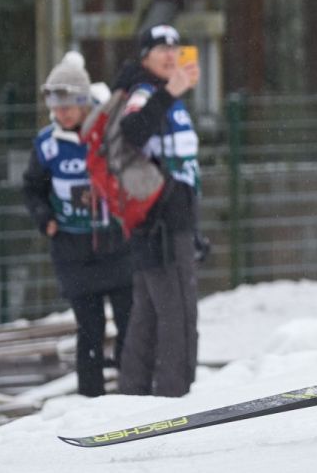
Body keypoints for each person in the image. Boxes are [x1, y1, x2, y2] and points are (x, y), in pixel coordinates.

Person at [22, 51, 133, 397]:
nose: (61, 114)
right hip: (72, 249)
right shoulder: (48, 144)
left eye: (68, 106)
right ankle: (91, 401)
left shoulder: (109, 132)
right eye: (55, 108)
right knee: (89, 330)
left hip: (116, 243)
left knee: (131, 323)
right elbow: (32, 187)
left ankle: (134, 393)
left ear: (84, 101)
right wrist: (45, 219)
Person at [114, 23, 203, 397]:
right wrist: (168, 93)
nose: (170, 55)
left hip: (170, 219)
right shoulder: (146, 93)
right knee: (178, 314)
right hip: (160, 222)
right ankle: (176, 397)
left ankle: (133, 394)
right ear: (144, 57)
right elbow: (131, 131)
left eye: (175, 48)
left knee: (149, 313)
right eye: (160, 48)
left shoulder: (167, 96)